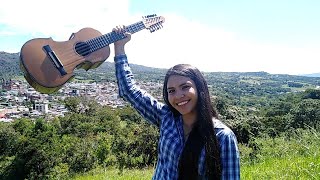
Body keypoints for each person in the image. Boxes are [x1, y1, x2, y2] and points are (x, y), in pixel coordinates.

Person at [112, 26, 240, 180]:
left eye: (185, 87)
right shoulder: (167, 118)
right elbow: (129, 90)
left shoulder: (222, 136)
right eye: (171, 90)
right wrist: (119, 47)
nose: (178, 95)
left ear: (200, 89)